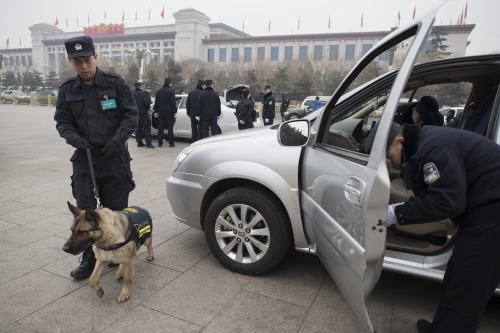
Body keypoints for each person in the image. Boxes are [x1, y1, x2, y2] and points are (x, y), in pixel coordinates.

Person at [377, 122, 500, 333]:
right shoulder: (427, 143)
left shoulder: (433, 150)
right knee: (455, 277)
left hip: (493, 216)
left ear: (400, 142)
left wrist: (396, 213)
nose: (391, 163)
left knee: (467, 290)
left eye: (389, 156)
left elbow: (448, 201)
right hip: (482, 211)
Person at [54, 36, 138, 280]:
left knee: (114, 210)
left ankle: (116, 252)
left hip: (114, 157)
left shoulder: (115, 84)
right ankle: (89, 259)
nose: (83, 66)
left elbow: (131, 116)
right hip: (85, 158)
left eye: (87, 60)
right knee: (86, 211)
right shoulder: (68, 90)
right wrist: (75, 139)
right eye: (77, 61)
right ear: (71, 61)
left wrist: (117, 139)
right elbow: (63, 122)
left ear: (95, 57)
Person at [154, 78, 177, 147]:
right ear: (169, 83)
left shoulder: (159, 91)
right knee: (170, 128)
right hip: (169, 112)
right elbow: (173, 103)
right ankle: (171, 143)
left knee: (160, 128)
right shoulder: (171, 91)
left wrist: (156, 111)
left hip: (161, 112)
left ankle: (160, 143)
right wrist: (174, 111)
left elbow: (156, 102)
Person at [133, 82, 155, 148]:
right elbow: (147, 103)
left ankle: (139, 142)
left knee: (138, 128)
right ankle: (149, 143)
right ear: (140, 86)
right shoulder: (144, 94)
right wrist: (147, 109)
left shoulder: (132, 94)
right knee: (147, 128)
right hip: (144, 113)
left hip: (136, 114)